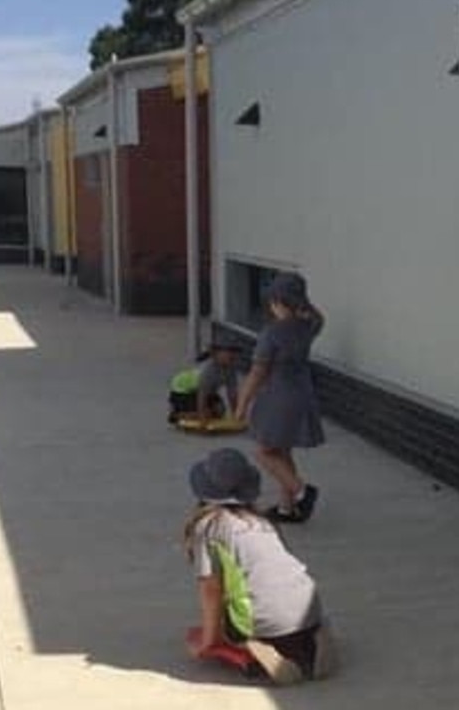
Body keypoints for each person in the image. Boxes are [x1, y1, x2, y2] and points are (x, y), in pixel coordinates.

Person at [183, 448, 336, 684]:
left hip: (264, 619)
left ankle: (257, 646)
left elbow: (210, 589)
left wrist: (209, 639)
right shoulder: (263, 520)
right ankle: (314, 636)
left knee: (229, 626)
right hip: (309, 607)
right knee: (284, 608)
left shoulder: (209, 527)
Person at [235, 272, 325, 523]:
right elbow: (319, 317)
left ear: (277, 302)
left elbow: (257, 373)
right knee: (283, 451)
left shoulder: (271, 334)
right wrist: (302, 303)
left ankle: (302, 492)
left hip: (279, 397)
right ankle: (287, 508)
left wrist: (242, 404)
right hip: (303, 393)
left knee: (264, 451)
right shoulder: (309, 326)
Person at [168, 338, 244, 425]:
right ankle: (178, 414)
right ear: (215, 354)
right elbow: (202, 395)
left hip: (206, 391)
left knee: (219, 410)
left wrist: (237, 414)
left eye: (235, 352)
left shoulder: (231, 369)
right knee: (208, 413)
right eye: (229, 352)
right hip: (184, 391)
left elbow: (232, 394)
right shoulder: (208, 370)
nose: (233, 355)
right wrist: (202, 418)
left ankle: (197, 412)